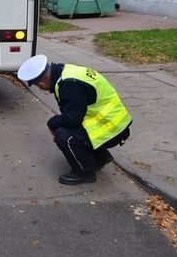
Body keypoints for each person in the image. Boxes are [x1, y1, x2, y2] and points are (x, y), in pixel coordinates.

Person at [17, 54, 132, 185]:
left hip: (111, 128)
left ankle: (85, 172)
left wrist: (52, 123)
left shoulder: (69, 86)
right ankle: (100, 157)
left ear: (42, 82)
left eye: (38, 86)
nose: (41, 89)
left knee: (64, 135)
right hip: (113, 122)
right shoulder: (65, 71)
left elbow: (73, 119)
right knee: (69, 128)